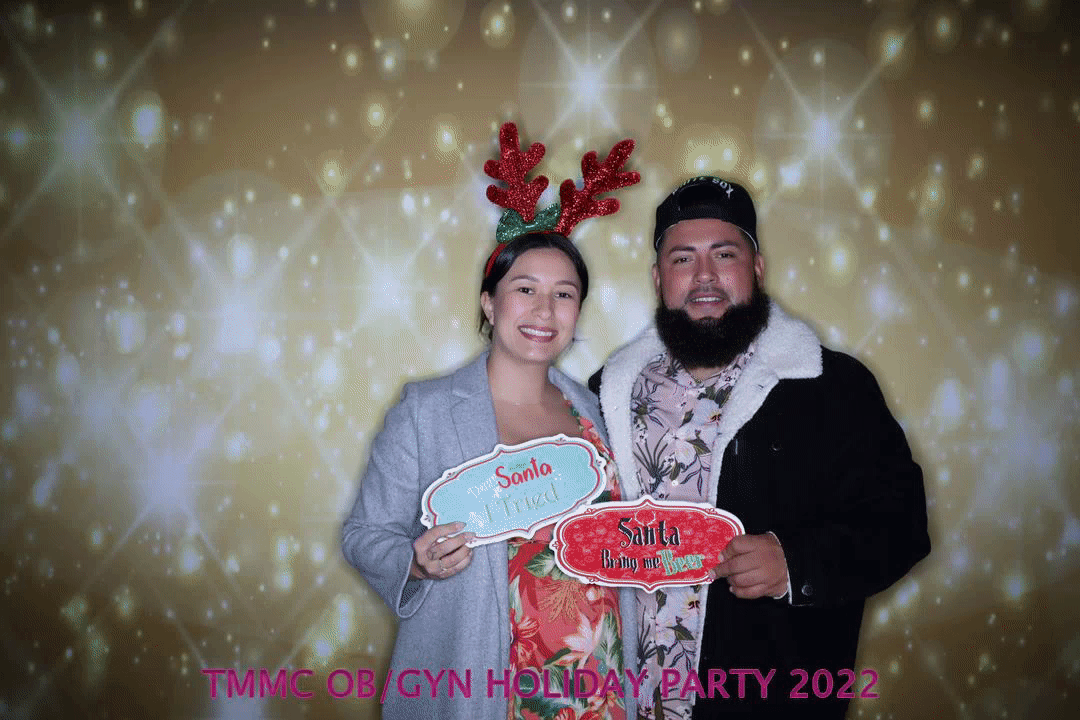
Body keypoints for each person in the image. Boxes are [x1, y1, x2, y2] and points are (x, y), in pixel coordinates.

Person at [588, 176, 931, 719]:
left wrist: (795, 562)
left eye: (724, 254)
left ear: (758, 268)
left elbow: (901, 523)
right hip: (624, 702)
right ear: (658, 278)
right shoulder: (606, 394)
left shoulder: (832, 387)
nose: (704, 275)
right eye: (683, 258)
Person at [343, 124, 642, 719]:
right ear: (489, 301)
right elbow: (364, 535)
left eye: (564, 294)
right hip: (484, 691)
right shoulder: (426, 411)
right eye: (524, 288)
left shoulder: (597, 413)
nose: (543, 310)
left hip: (600, 688)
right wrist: (414, 562)